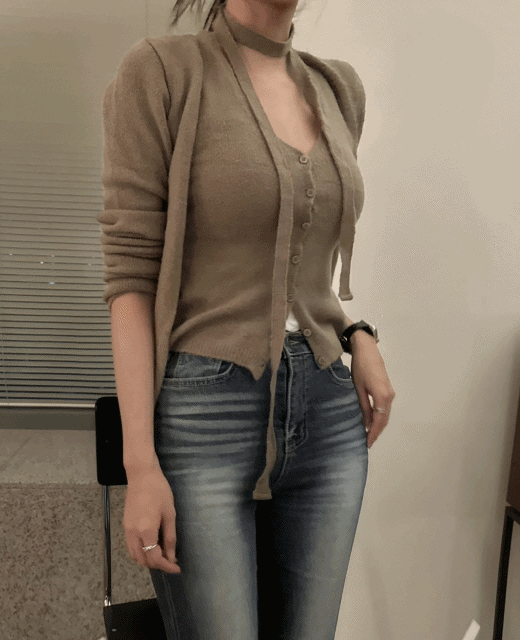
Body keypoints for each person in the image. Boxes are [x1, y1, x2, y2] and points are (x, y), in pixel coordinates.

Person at [98, 0, 396, 638]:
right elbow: (130, 277)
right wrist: (140, 464)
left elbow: (296, 268)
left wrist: (356, 333)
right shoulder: (161, 72)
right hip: (203, 416)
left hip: (328, 412)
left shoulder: (339, 88)